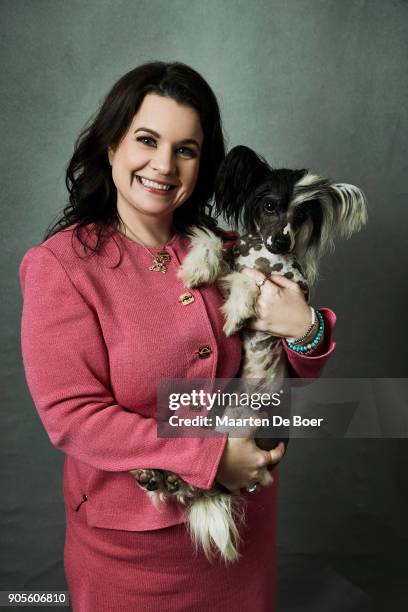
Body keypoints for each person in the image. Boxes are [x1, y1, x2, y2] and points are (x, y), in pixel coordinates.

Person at [19, 61, 336, 611]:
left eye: (185, 149)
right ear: (110, 147)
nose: (163, 165)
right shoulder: (62, 266)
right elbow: (72, 415)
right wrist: (211, 456)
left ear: (202, 163)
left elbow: (286, 381)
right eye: (147, 139)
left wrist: (306, 333)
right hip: (133, 559)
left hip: (241, 542)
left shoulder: (234, 250)